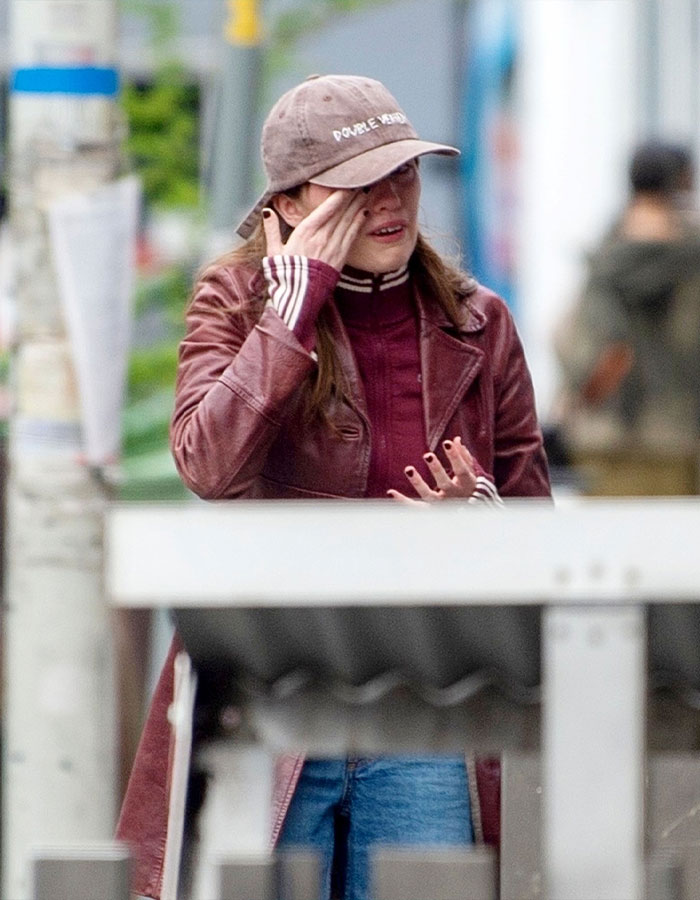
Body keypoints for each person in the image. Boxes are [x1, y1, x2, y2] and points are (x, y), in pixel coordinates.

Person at [117, 74, 551, 900]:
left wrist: (482, 520)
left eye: (404, 175)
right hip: (270, 694)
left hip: (427, 700)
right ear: (288, 205)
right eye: (357, 185)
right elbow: (208, 465)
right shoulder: (238, 301)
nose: (389, 202)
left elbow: (540, 528)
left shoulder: (478, 320)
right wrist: (293, 311)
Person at [553, 140, 700, 496]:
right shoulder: (691, 257)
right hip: (678, 443)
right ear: (682, 182)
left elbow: (571, 343)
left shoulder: (606, 254)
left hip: (603, 444)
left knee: (608, 550)